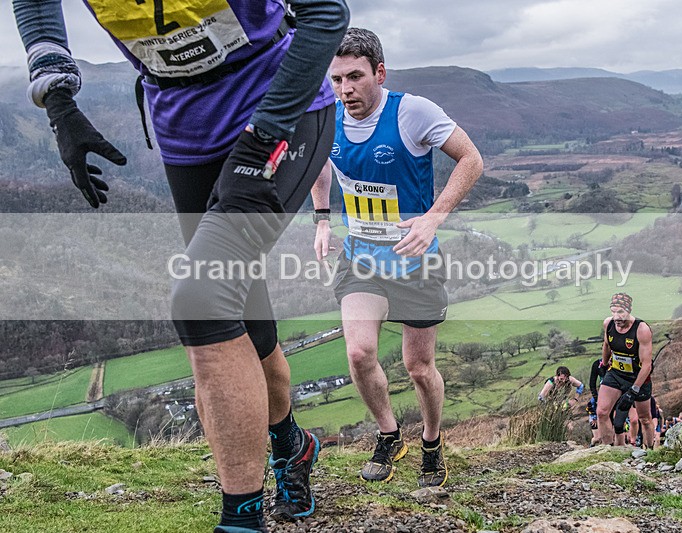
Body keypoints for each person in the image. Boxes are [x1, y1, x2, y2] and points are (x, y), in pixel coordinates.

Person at [13, 1, 349, 531]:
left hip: (282, 106)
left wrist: (265, 134)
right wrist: (58, 103)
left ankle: (240, 520)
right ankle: (291, 445)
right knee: (239, 310)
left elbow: (327, 13)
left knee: (201, 297)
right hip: (185, 128)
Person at [311, 28, 483, 487]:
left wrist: (433, 218)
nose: (345, 89)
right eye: (336, 79)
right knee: (359, 352)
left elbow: (471, 159)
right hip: (361, 258)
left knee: (418, 368)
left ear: (379, 73)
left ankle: (431, 441)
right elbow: (320, 166)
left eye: (355, 77)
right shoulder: (327, 117)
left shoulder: (412, 112)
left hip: (414, 260)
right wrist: (323, 220)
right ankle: (389, 435)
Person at [596, 293, 656, 448]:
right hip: (616, 373)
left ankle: (649, 450)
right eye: (613, 312)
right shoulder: (608, 324)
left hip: (638, 376)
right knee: (602, 412)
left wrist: (633, 390)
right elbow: (607, 345)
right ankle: (608, 450)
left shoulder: (641, 329)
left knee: (644, 418)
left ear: (629, 311)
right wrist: (603, 364)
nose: (617, 317)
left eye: (621, 312)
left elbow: (647, 364)